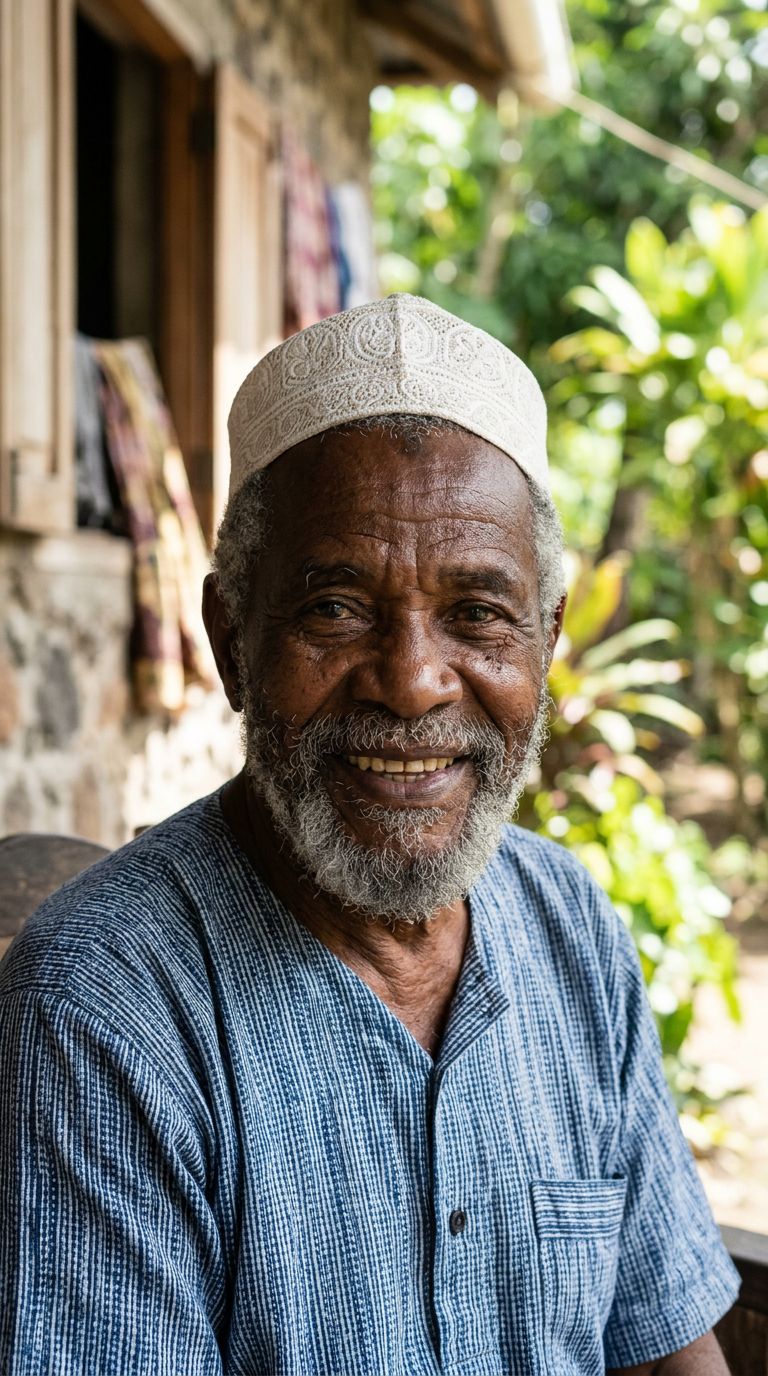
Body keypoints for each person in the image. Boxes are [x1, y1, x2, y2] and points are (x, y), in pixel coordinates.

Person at [0, 295, 738, 1375]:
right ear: (230, 640)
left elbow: (670, 1350)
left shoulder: (573, 927)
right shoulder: (104, 1011)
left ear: (549, 639)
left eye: (479, 612)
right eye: (336, 606)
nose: (412, 681)